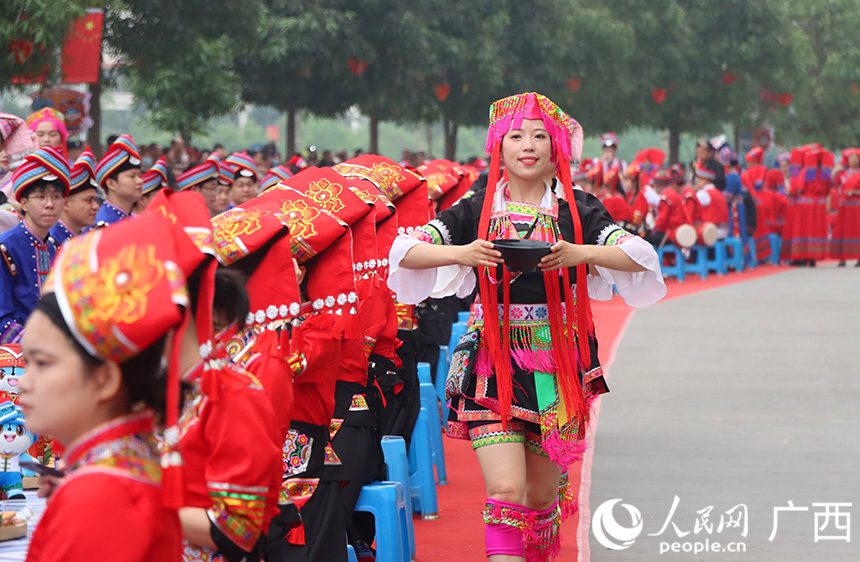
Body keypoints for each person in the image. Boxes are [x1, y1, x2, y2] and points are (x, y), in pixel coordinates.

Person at [388, 92, 665, 561]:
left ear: (557, 147)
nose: (528, 145)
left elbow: (641, 257)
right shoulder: (475, 209)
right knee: (507, 487)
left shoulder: (577, 209)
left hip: (558, 366)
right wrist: (463, 253)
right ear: (499, 146)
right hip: (489, 364)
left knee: (540, 498)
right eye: (516, 136)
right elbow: (404, 253)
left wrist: (584, 254)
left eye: (539, 136)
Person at [19, 212, 186, 561]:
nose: (23, 381)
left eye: (43, 363)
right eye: (25, 363)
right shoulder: (112, 470)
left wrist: (80, 500)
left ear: (106, 379)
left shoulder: (102, 493)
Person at [0, 146, 69, 343]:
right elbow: (1, 320)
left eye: (56, 197)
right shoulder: (6, 248)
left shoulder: (56, 247)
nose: (50, 204)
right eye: (41, 197)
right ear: (23, 203)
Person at [49, 148, 100, 247]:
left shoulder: (75, 237)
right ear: (66, 203)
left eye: (95, 200)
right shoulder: (52, 242)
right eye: (89, 200)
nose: (96, 206)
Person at [93, 135, 143, 228]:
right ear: (111, 184)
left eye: (139, 176)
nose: (139, 181)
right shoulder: (103, 225)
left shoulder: (131, 219)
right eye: (132, 176)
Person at [831, 149, 860, 266]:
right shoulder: (843, 174)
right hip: (844, 207)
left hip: (857, 207)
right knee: (842, 231)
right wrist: (835, 172)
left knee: (857, 231)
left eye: (856, 158)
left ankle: (858, 258)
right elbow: (836, 187)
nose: (853, 160)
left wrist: (855, 192)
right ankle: (842, 258)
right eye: (851, 158)